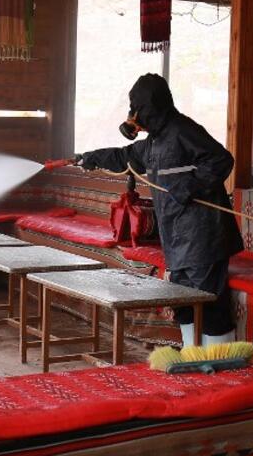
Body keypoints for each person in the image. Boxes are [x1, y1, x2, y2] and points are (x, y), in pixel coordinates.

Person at [77, 73, 243, 345]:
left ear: (148, 108)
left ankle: (219, 363)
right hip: (177, 238)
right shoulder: (154, 141)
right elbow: (125, 156)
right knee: (183, 302)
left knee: (209, 302)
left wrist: (188, 186)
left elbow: (221, 159)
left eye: (136, 109)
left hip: (203, 235)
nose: (133, 116)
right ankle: (193, 357)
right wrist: (91, 158)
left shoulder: (182, 130)